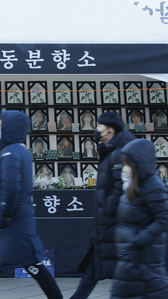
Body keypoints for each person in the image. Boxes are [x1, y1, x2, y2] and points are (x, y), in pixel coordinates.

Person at [0, 111, 62, 299]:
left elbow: (12, 188)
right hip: (10, 223)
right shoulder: (16, 150)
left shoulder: (10, 153)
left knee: (33, 265)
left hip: (12, 223)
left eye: (0, 125)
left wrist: (5, 214)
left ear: (10, 127)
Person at [70, 112, 136, 299]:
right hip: (107, 223)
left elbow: (120, 187)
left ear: (109, 129)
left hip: (114, 222)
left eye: (99, 126)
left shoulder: (119, 153)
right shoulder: (110, 151)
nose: (96, 130)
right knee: (96, 263)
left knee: (115, 266)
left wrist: (108, 209)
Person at [110, 139, 168, 299]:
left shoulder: (153, 187)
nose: (124, 168)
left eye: (128, 164)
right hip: (131, 260)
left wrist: (139, 241)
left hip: (143, 260)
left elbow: (164, 218)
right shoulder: (132, 186)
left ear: (139, 164)